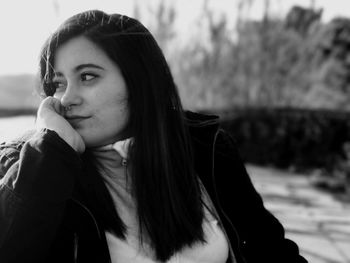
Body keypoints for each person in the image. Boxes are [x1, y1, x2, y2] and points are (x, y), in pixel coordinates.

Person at [0, 10, 307, 263]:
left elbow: (273, 250)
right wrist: (52, 151)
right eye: (58, 83)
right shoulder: (33, 166)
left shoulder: (205, 148)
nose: (67, 99)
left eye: (88, 76)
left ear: (139, 81)